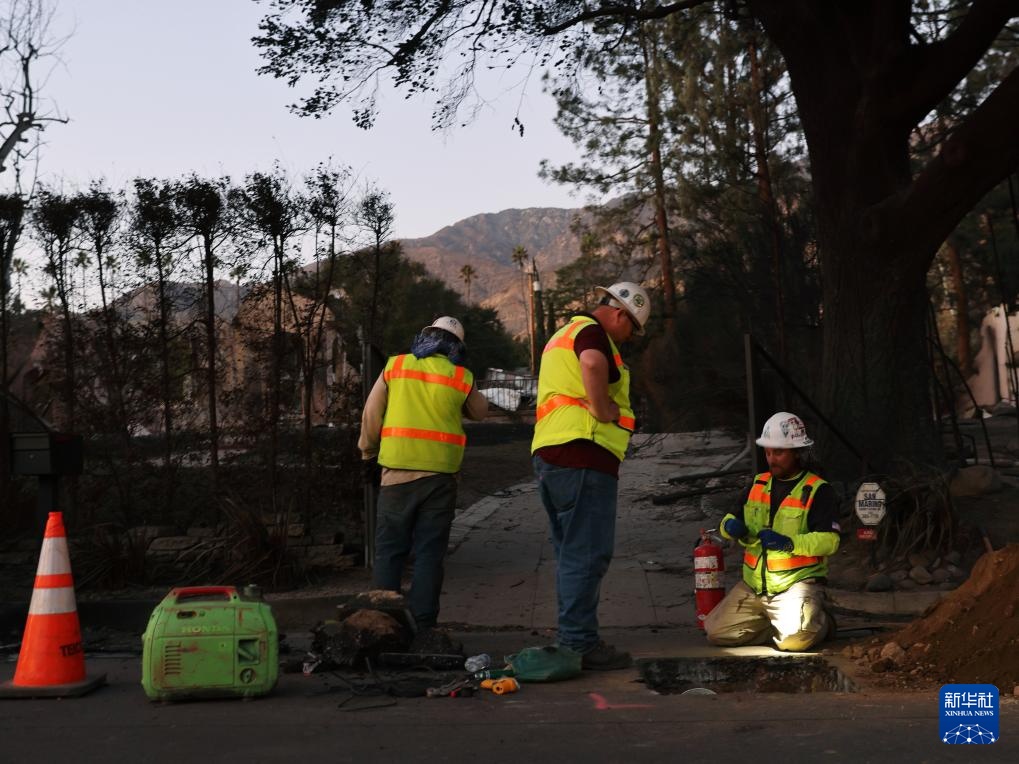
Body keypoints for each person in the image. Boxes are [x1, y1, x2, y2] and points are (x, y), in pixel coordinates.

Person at [531, 281, 651, 670]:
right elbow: (594, 364)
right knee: (587, 553)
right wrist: (604, 410)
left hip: (554, 455)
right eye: (631, 328)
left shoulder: (561, 334)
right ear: (619, 313)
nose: (629, 338)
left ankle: (573, 636)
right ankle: (580, 643)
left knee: (572, 553)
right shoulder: (590, 332)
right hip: (584, 453)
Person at [359, 316, 488, 629]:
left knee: (391, 550)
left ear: (424, 335)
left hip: (397, 473)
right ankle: (424, 625)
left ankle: (384, 623)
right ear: (457, 347)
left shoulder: (396, 366)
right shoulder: (461, 376)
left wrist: (367, 453)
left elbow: (372, 414)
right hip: (441, 477)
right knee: (430, 553)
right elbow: (481, 411)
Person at [704, 411, 841, 651]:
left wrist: (789, 543)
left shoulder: (818, 490)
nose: (771, 459)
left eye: (778, 452)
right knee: (715, 632)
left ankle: (824, 623)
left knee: (794, 642)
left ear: (797, 453)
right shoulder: (757, 484)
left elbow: (830, 541)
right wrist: (729, 527)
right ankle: (778, 624)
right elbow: (728, 519)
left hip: (796, 585)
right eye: (768, 452)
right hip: (754, 587)